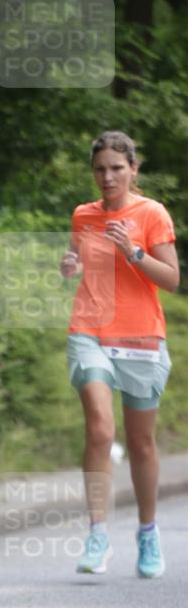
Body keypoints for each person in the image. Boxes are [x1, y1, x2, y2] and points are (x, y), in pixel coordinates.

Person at [60, 131, 179, 579]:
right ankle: (98, 533)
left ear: (133, 169)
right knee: (99, 426)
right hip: (90, 328)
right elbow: (77, 259)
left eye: (116, 168)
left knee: (142, 442)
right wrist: (69, 265)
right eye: (100, 169)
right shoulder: (83, 215)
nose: (107, 177)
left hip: (141, 338)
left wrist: (132, 252)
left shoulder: (152, 213)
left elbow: (170, 279)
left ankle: (147, 532)